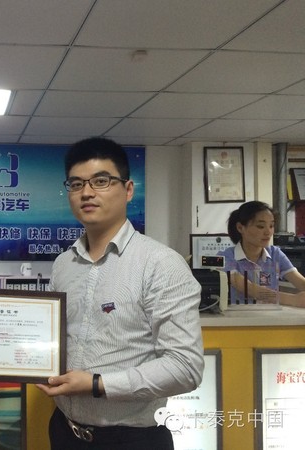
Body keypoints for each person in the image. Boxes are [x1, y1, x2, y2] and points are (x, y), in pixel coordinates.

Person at [36, 137, 204, 450]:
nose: (87, 192)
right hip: (64, 431)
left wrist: (97, 384)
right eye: (76, 184)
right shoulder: (63, 264)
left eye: (101, 181)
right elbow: (54, 340)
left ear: (128, 190)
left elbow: (185, 367)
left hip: (131, 439)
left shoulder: (161, 263)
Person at [218, 200, 305, 307]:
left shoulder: (275, 253)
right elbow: (247, 287)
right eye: (260, 226)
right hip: (238, 315)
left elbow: (300, 282)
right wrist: (293, 299)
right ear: (240, 228)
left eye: (271, 226)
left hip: (270, 315)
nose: (268, 232)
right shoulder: (225, 257)